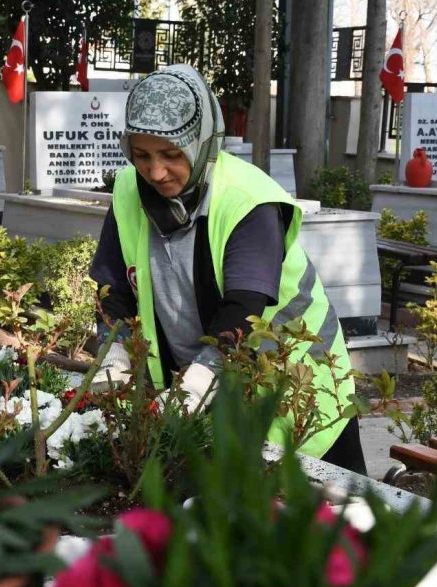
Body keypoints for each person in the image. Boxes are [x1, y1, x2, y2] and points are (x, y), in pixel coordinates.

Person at [89, 64, 366, 474]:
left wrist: (196, 384)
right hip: (204, 394)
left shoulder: (247, 202)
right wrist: (113, 357)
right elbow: (114, 287)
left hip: (298, 394)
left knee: (333, 527)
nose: (156, 172)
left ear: (203, 144)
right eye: (142, 155)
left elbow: (243, 311)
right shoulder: (130, 190)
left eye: (171, 154)